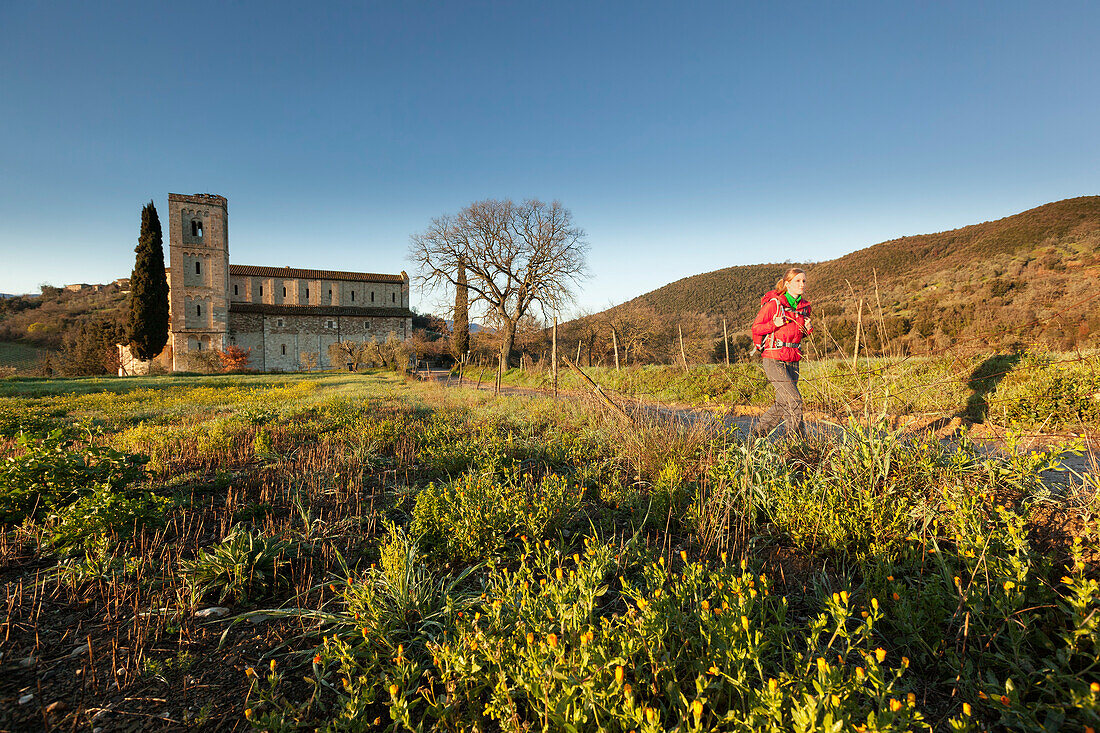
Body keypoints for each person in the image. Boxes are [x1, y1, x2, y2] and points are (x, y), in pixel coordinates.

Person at [750, 268, 812, 438]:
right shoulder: (774, 305)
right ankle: (796, 444)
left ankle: (757, 434)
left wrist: (808, 329)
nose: (802, 284)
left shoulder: (805, 307)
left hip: (793, 358)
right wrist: (774, 324)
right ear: (787, 284)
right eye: (797, 281)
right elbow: (756, 328)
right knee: (794, 400)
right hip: (774, 358)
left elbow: (799, 334)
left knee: (784, 402)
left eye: (804, 281)